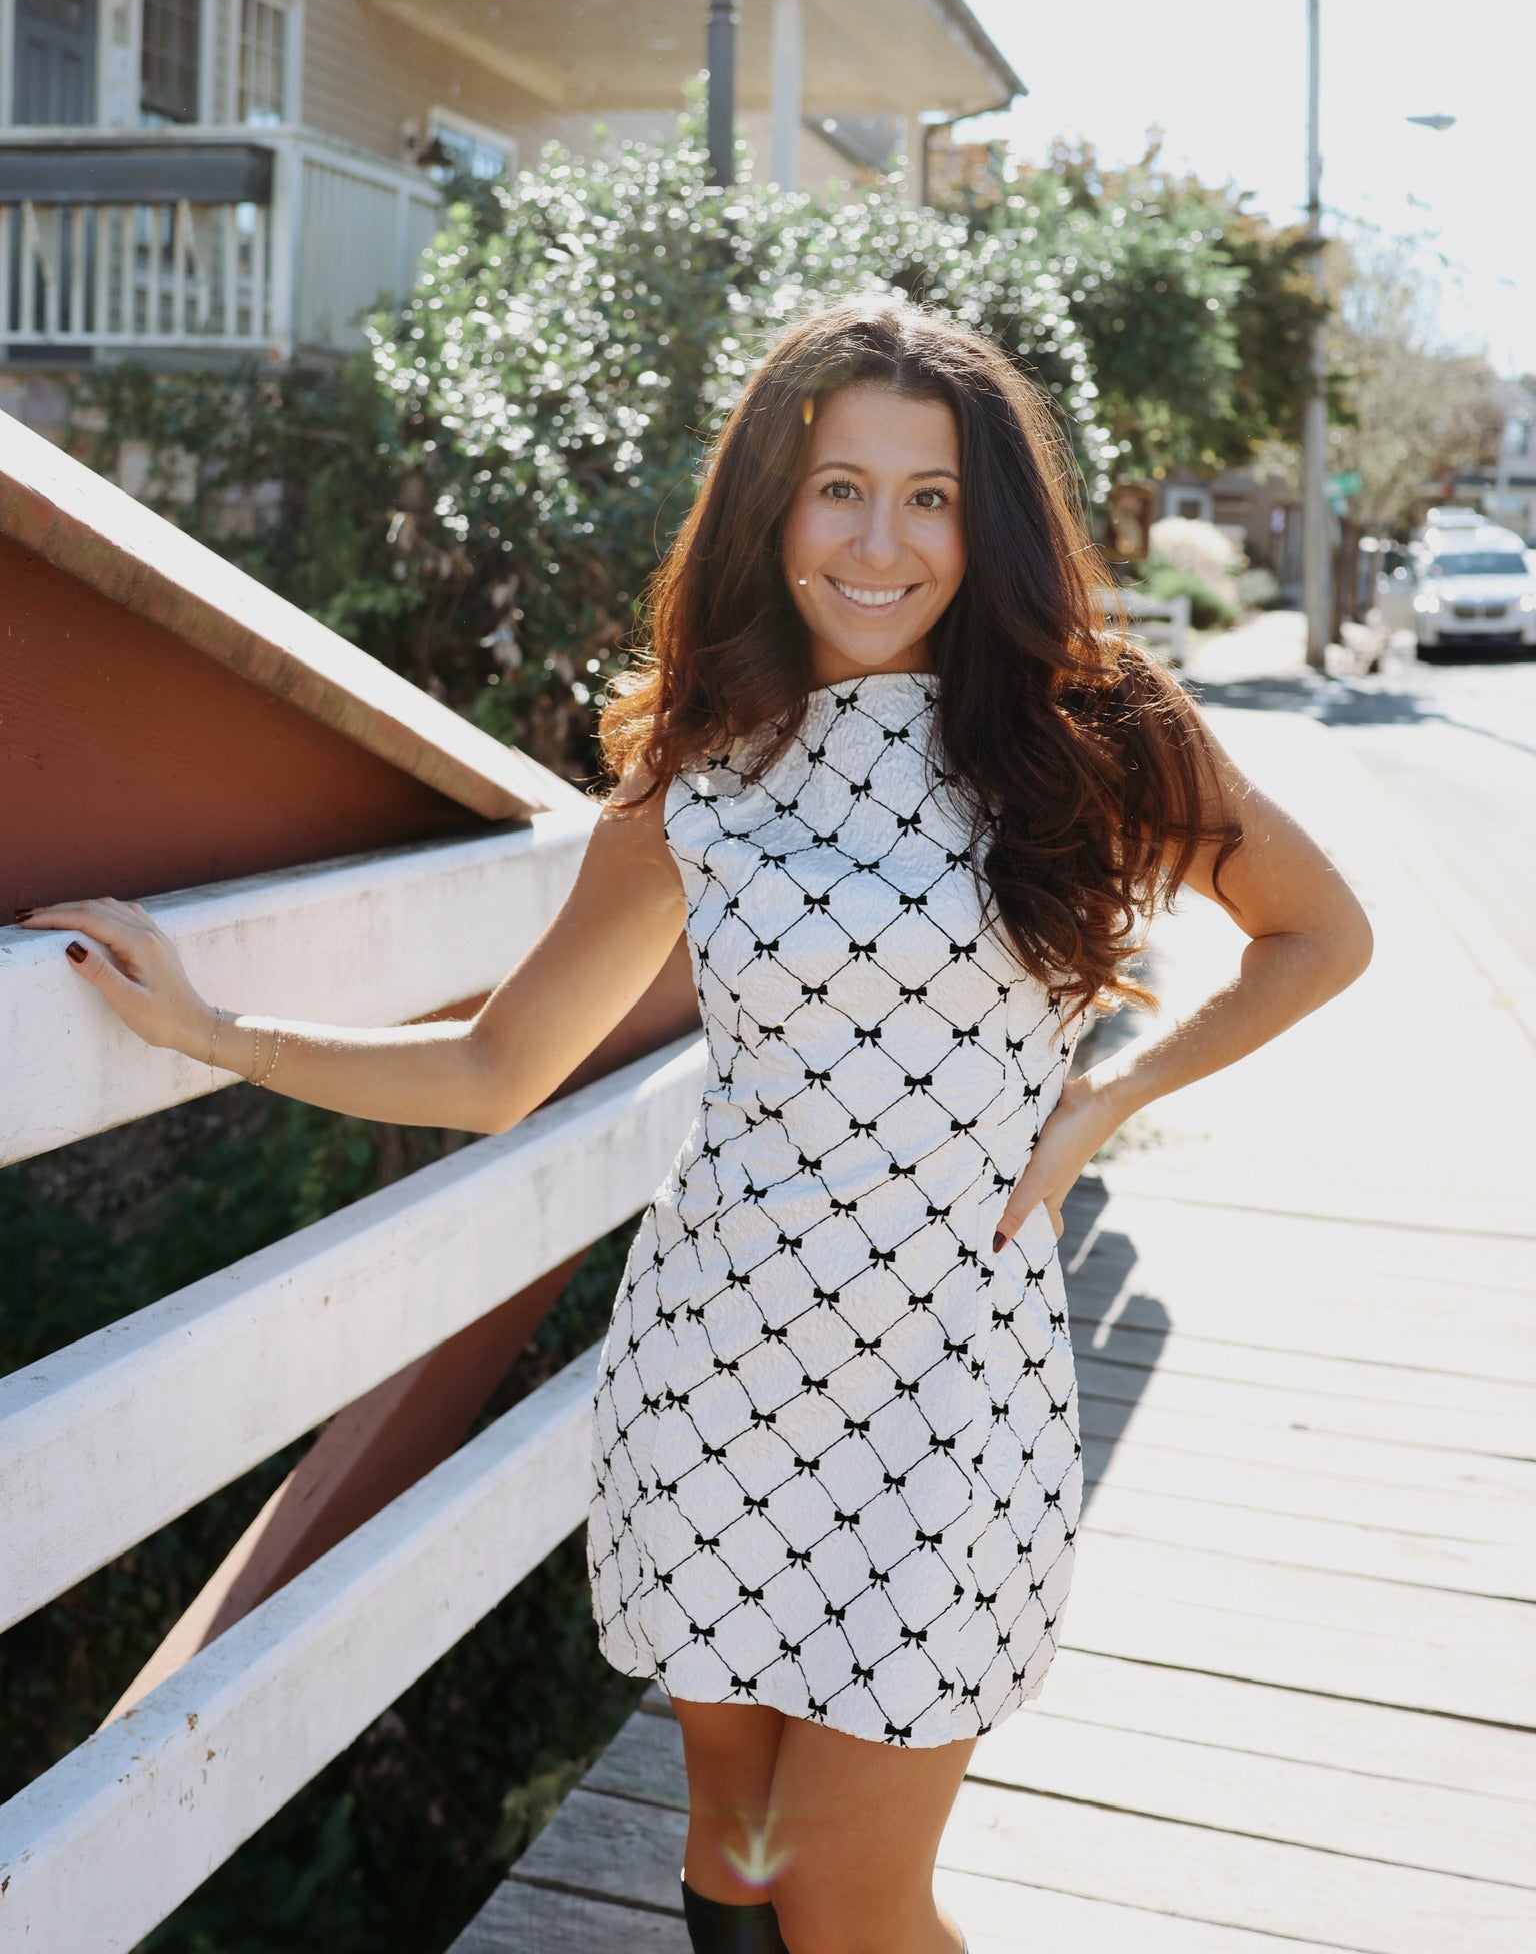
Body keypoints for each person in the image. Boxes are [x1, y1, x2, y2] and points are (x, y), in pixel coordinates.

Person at [21, 298, 1372, 1954]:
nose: (881, 542)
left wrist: (1102, 1102)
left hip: (953, 1386)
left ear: (990, 520)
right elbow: (497, 1069)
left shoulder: (1099, 731)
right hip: (721, 1369)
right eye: (838, 489)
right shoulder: (705, 770)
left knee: (846, 1903)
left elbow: (1323, 933)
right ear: (769, 507)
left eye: (932, 496)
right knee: (731, 1862)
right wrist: (215, 1030)